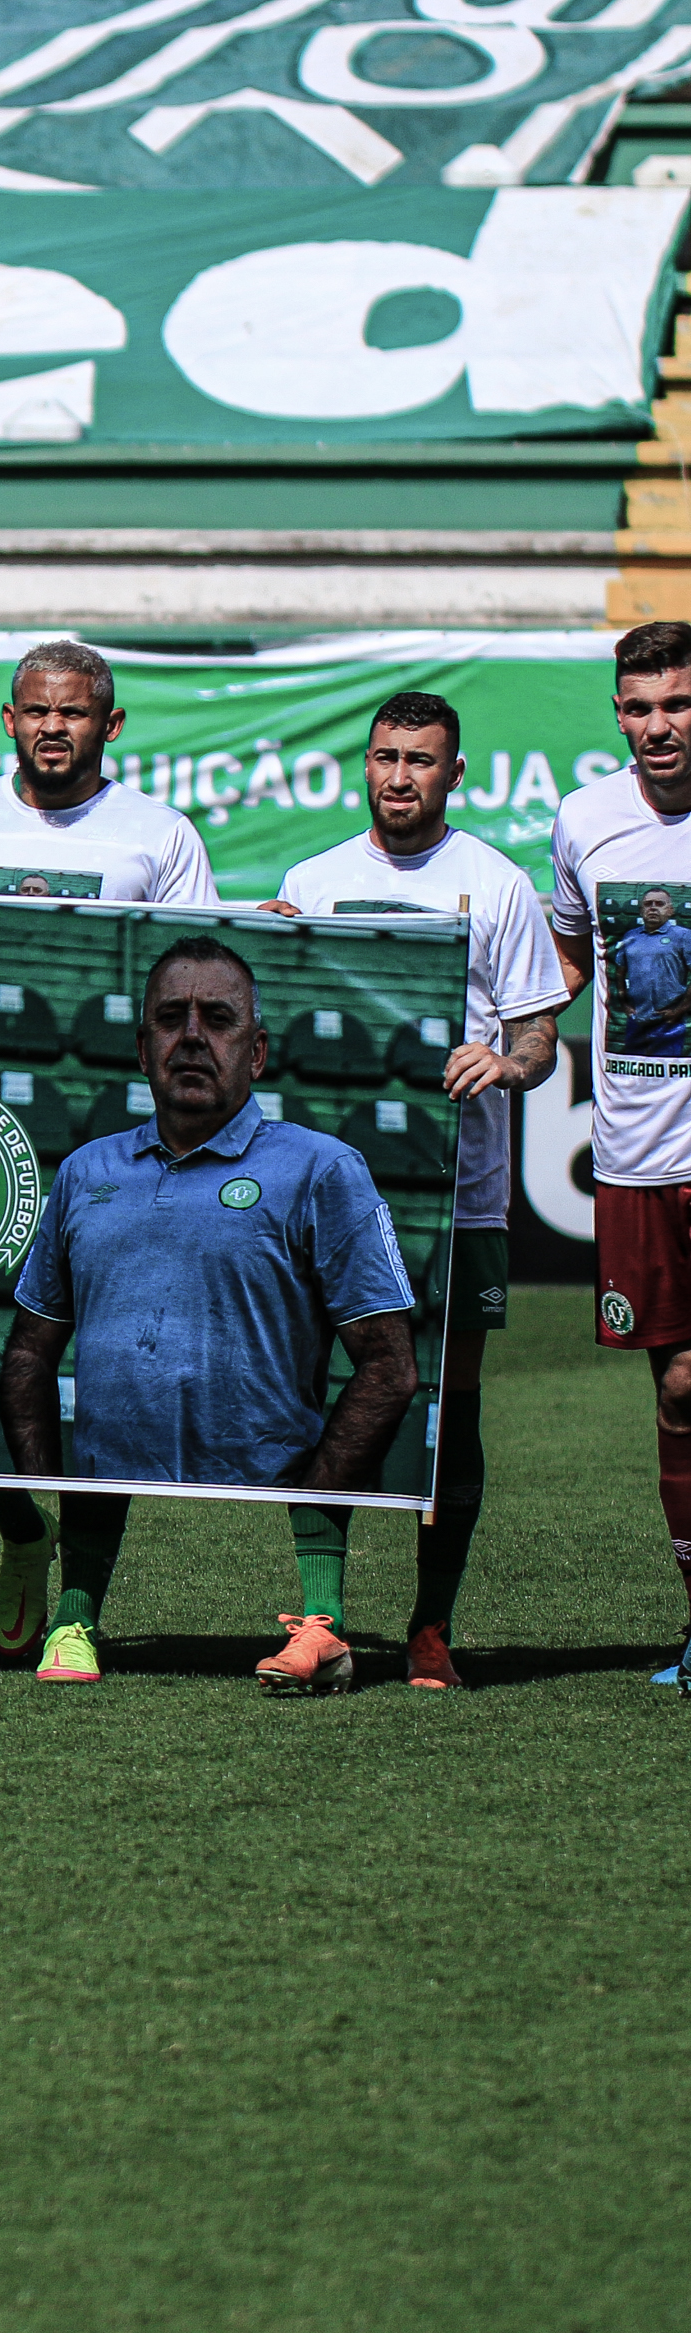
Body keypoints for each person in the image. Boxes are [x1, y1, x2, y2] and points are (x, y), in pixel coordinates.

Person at [1, 937, 420, 1689]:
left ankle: (322, 1621)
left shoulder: (322, 1168)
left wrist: (317, 1482)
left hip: (276, 1455)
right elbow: (31, 1347)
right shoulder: (86, 1171)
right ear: (141, 1048)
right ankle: (75, 1613)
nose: (192, 1035)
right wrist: (40, 1503)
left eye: (217, 1019)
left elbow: (390, 1366)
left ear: (256, 1051)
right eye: (172, 1017)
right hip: (109, 1462)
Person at [263, 690, 563, 1689]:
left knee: (447, 1405)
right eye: (384, 757)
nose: (399, 776)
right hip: (328, 1194)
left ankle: (431, 1622)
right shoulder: (310, 881)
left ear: (453, 773)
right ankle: (319, 1616)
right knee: (322, 1398)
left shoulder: (496, 883)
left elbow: (535, 1033)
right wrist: (259, 951)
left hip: (457, 1194)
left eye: (420, 760)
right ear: (364, 763)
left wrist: (505, 1064)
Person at [544, 619, 691, 1689]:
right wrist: (512, 1029)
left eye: (676, 704)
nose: (656, 726)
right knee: (678, 1386)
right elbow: (561, 952)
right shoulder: (582, 822)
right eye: (637, 707)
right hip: (636, 1154)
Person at [0, 641, 218, 905]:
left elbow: (196, 961)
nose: (52, 727)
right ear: (11, 720)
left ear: (111, 725)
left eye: (73, 713)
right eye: (36, 712)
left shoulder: (164, 834)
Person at [611, 887, 691, 1057]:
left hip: (669, 1021)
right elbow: (619, 972)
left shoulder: (684, 936)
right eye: (648, 904)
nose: (653, 908)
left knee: (667, 1072)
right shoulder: (630, 937)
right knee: (633, 1071)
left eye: (659, 904)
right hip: (638, 1019)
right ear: (641, 910)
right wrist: (625, 1004)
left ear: (670, 910)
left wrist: (678, 1011)